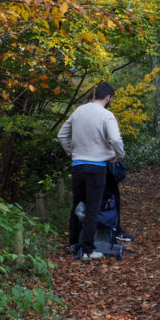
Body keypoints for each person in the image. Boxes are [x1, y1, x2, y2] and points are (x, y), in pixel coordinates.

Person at [57, 82, 126, 260]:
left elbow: (62, 135)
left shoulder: (78, 111)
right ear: (108, 97)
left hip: (78, 165)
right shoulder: (106, 115)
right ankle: (87, 249)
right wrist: (118, 156)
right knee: (93, 208)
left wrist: (71, 152)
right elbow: (115, 139)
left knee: (77, 205)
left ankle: (73, 243)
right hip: (97, 167)